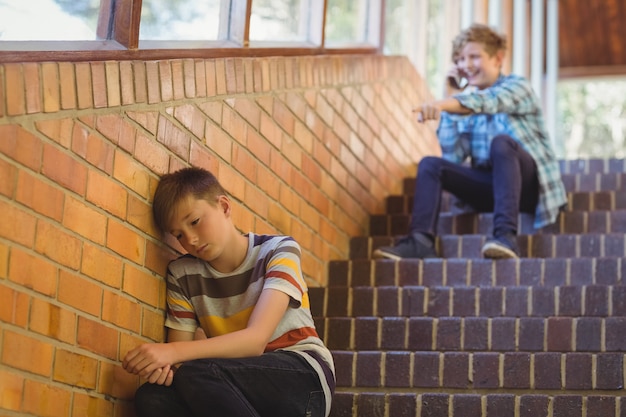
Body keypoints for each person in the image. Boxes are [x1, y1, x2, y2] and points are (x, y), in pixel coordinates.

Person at [122, 167, 335, 417]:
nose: (189, 239)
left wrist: (170, 353)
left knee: (198, 372)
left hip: (302, 380)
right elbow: (180, 361)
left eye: (195, 222)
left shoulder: (278, 250)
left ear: (224, 207)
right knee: (152, 396)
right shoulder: (183, 274)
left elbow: (255, 340)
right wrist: (167, 368)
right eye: (178, 234)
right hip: (230, 387)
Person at [373, 23, 566, 260]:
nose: (466, 65)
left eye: (474, 57)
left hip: (527, 186)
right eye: (461, 59)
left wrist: (443, 104)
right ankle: (420, 241)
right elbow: (453, 157)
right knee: (430, 165)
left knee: (502, 143)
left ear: (498, 58)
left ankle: (505, 236)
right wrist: (451, 98)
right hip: (491, 188)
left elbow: (490, 101)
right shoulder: (462, 103)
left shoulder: (518, 86)